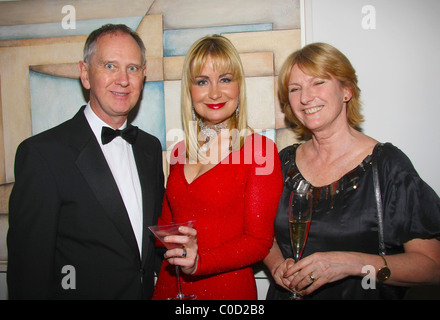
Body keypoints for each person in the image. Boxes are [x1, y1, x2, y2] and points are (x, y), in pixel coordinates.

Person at [264, 42, 440, 300]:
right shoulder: (282, 164)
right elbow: (262, 236)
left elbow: (432, 266)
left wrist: (349, 264)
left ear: (346, 90)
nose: (305, 97)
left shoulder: (386, 165)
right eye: (295, 89)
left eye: (318, 82)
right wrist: (277, 264)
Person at [7, 24, 164, 299]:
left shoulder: (150, 149)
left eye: (133, 68)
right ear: (85, 74)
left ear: (143, 75)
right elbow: (27, 273)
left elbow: (152, 244)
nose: (123, 80)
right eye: (110, 66)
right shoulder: (43, 154)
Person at [152, 35, 283, 300]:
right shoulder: (178, 152)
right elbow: (166, 226)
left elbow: (259, 243)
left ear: (238, 87)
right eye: (202, 81)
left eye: (225, 79)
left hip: (226, 291)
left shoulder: (259, 151)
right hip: (169, 288)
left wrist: (200, 262)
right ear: (190, 89)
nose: (214, 92)